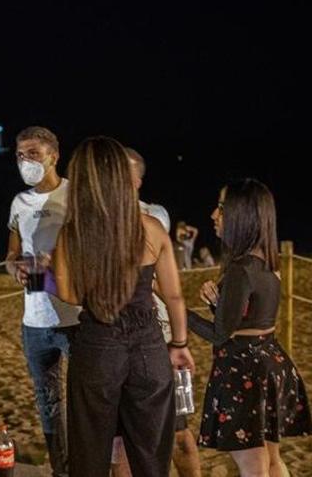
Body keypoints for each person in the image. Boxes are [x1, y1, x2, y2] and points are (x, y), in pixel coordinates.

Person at [52, 136, 194, 477]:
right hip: (149, 346)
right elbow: (174, 296)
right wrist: (180, 343)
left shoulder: (72, 234)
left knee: (90, 450)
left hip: (99, 344)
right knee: (150, 454)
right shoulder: (151, 227)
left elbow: (69, 294)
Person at [188, 179, 311, 476]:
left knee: (254, 468)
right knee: (271, 461)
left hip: (246, 372)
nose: (214, 215)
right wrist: (218, 305)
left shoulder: (242, 269)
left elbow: (219, 335)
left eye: (221, 207)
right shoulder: (268, 262)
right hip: (269, 362)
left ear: (242, 213)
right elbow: (249, 321)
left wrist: (176, 308)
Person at [109, 148, 201, 477]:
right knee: (121, 443)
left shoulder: (154, 216)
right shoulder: (95, 219)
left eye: (122, 172)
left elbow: (167, 287)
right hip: (115, 342)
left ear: (136, 179)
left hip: (158, 335)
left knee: (179, 435)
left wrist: (180, 337)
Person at [4, 126, 78, 477]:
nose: (25, 161)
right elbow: (11, 254)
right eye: (19, 155)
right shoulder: (19, 202)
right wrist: (14, 268)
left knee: (83, 400)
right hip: (34, 320)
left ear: (53, 155)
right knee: (48, 402)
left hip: (74, 318)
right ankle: (60, 468)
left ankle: (89, 464)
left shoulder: (75, 195)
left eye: (33, 153)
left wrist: (61, 262)